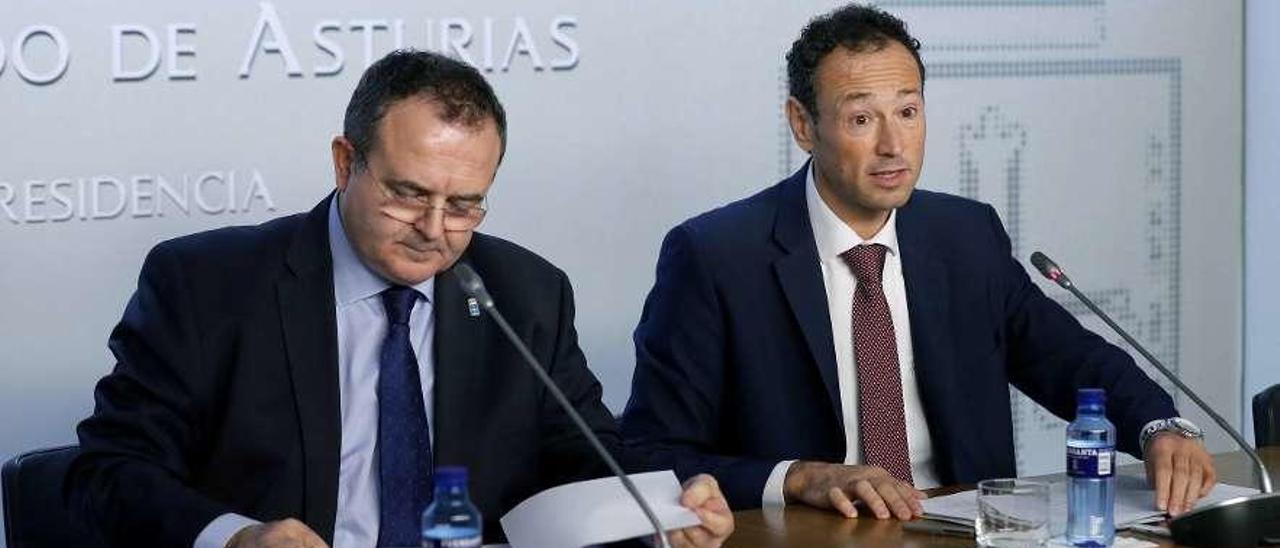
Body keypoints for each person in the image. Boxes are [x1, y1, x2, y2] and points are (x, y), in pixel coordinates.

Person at [68, 50, 733, 548]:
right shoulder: (206, 285)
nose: (435, 230)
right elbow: (109, 471)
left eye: (465, 204)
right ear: (344, 162)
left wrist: (665, 509)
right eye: (409, 193)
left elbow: (589, 454)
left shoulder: (525, 294)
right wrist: (237, 536)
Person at [620, 2, 1215, 522]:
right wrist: (801, 477)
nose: (893, 145)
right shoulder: (717, 256)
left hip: (961, 528)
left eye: (908, 112)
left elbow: (1069, 359)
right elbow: (650, 454)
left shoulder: (964, 235)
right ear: (803, 125)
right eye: (861, 119)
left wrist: (1158, 426)